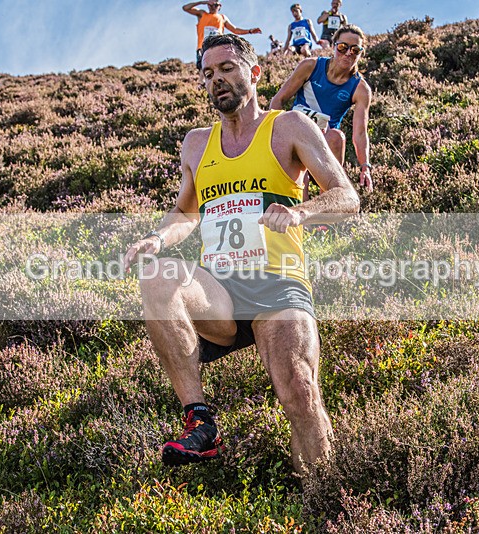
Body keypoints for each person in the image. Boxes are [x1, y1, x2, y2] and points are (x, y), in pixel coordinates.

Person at [123, 34, 359, 471]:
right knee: (157, 274)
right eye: (208, 74)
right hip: (222, 289)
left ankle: (323, 492)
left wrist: (300, 212)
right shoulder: (196, 144)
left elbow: (346, 196)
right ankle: (200, 419)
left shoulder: (288, 126)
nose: (217, 80)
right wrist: (157, 239)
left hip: (278, 282)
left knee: (300, 393)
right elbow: (184, 212)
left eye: (227, 68)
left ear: (253, 73)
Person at [270, 23, 373, 197]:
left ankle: (329, 202)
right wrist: (274, 136)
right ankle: (300, 213)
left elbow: (360, 133)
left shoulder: (360, 88)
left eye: (355, 50)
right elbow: (278, 100)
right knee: (300, 180)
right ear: (333, 46)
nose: (348, 53)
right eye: (342, 47)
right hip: (295, 133)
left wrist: (365, 167)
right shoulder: (310, 66)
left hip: (324, 141)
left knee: (337, 137)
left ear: (360, 54)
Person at [182, 1, 261, 70]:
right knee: (203, 66)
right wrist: (202, 2)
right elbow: (185, 8)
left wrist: (249, 31)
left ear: (220, 6)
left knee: (219, 66)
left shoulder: (222, 18)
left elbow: (235, 29)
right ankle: (202, 85)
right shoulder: (202, 14)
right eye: (210, 5)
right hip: (202, 46)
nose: (213, 7)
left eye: (215, 5)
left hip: (218, 46)